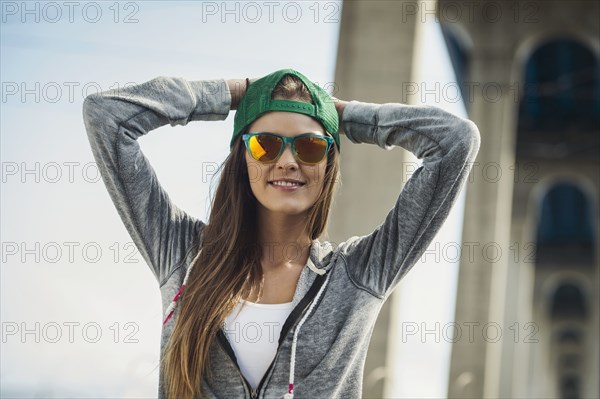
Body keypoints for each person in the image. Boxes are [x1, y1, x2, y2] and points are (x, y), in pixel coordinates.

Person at [82, 68, 481, 399]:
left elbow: (455, 141)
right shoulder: (182, 255)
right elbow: (107, 115)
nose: (288, 161)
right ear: (243, 158)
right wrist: (232, 95)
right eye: (266, 145)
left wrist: (346, 116)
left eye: (309, 146)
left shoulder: (359, 275)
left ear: (328, 163)